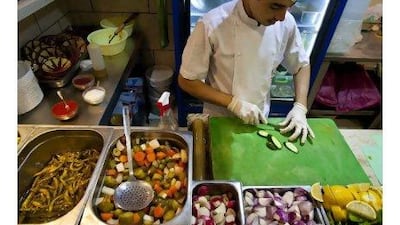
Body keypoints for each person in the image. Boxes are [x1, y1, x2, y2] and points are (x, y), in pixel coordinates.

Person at [178, 0, 315, 144]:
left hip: (260, 119)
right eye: (275, 6)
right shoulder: (211, 24)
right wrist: (234, 104)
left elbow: (301, 66)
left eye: (289, 7)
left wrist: (300, 107)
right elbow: (187, 80)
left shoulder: (287, 23)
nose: (281, 17)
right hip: (221, 121)